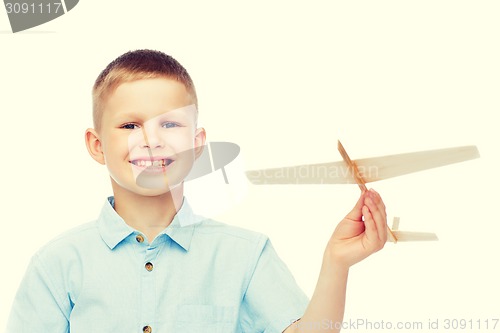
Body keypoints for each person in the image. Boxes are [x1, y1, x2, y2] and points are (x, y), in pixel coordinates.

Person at [6, 49, 388, 333]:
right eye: (129, 126)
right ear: (96, 144)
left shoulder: (245, 255)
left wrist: (336, 263)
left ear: (197, 143)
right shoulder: (56, 264)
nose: (151, 141)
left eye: (170, 124)